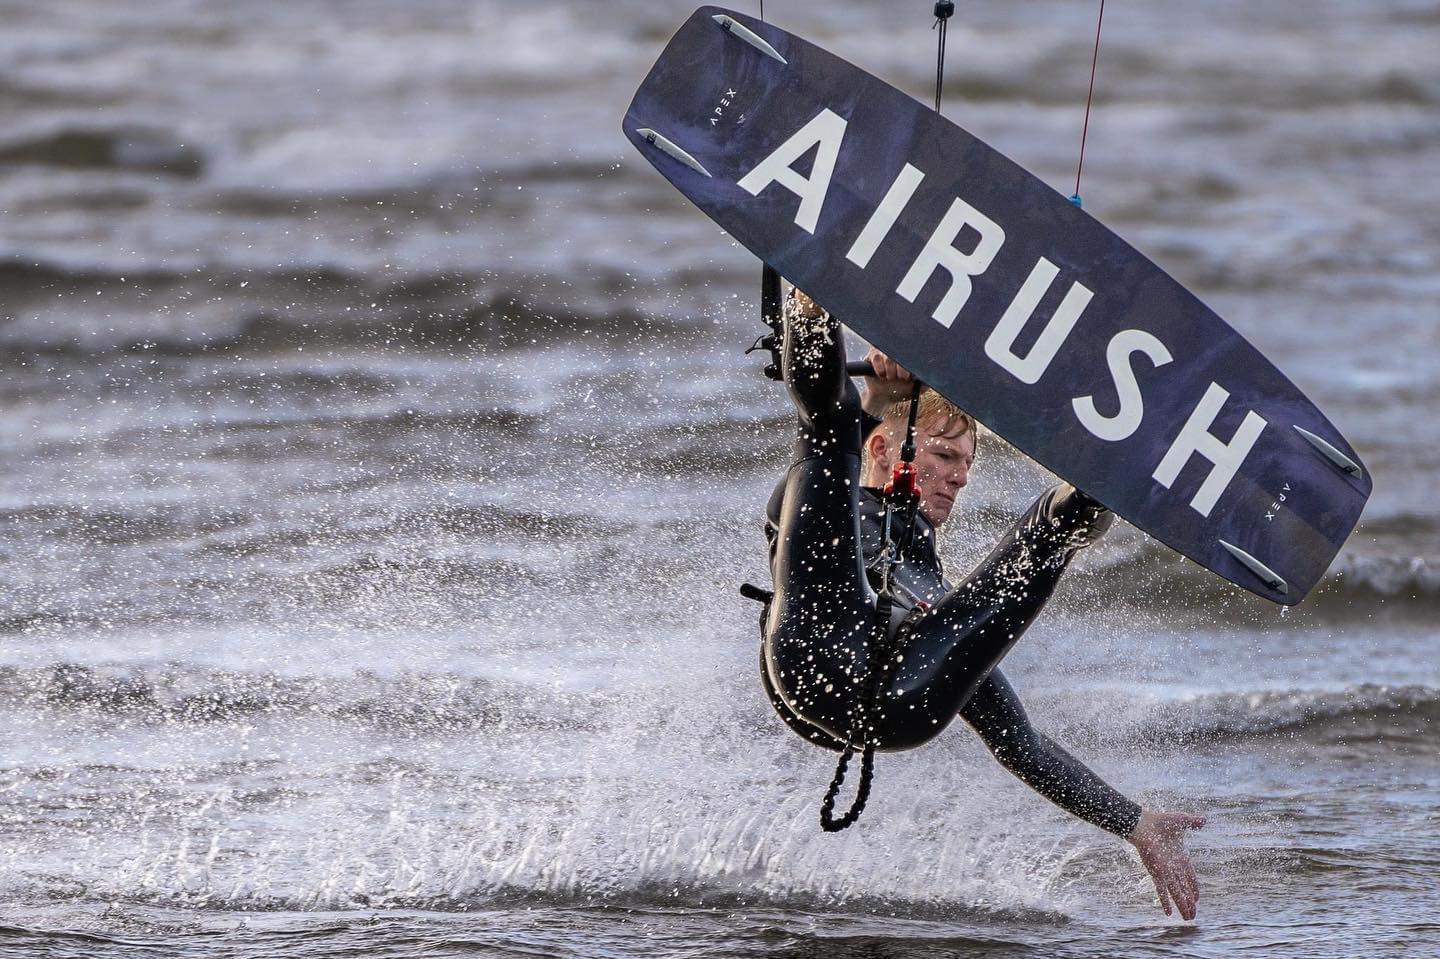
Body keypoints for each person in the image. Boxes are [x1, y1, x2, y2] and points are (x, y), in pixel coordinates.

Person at [756, 288, 1205, 921]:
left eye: (965, 463)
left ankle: (1111, 470)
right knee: (828, 431)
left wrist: (1135, 823)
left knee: (1044, 533)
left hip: (900, 703)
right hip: (814, 658)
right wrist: (873, 391)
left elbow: (1018, 739)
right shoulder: (819, 504)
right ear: (886, 451)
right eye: (944, 456)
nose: (961, 476)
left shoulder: (930, 586)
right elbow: (835, 418)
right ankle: (812, 301)